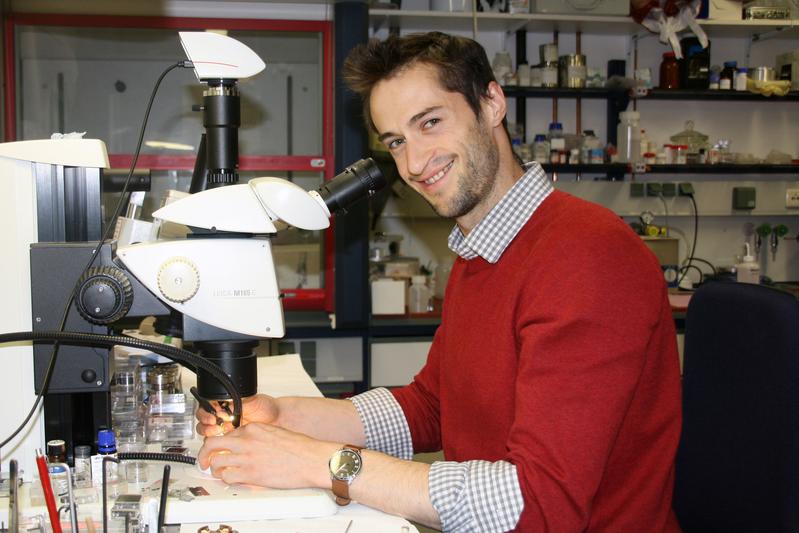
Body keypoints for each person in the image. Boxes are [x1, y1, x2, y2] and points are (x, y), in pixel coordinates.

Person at [197, 32, 683, 532]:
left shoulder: (588, 255)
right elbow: (432, 406)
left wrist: (324, 463)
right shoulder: (481, 251)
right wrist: (286, 416)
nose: (413, 163)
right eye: (396, 141)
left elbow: (539, 504)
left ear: (491, 103)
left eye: (430, 122)